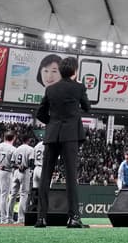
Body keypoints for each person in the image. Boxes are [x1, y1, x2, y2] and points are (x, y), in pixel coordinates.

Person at [35, 56, 90, 229]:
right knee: (71, 177)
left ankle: (41, 218)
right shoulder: (79, 87)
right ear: (74, 71)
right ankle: (73, 218)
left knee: (45, 176)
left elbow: (40, 113)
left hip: (52, 135)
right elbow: (88, 107)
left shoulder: (51, 89)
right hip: (70, 136)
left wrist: (52, 122)